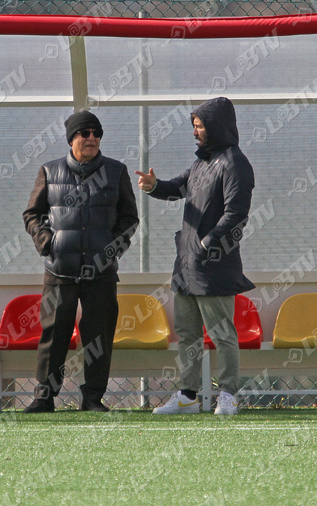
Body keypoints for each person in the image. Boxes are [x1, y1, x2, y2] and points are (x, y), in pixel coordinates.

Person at [135, 96, 254, 415]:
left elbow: (236, 215)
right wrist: (154, 186)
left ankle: (227, 395)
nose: (194, 132)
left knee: (222, 333)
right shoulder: (203, 162)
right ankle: (187, 397)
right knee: (188, 333)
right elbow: (178, 187)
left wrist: (206, 244)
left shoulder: (235, 163)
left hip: (215, 265)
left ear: (215, 126)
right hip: (186, 265)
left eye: (199, 126)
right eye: (194, 126)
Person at [22, 110, 139, 412]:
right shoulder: (49, 171)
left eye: (97, 133)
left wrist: (111, 251)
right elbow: (32, 214)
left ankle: (92, 398)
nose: (92, 138)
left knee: (98, 337)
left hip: (101, 273)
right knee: (54, 334)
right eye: (85, 133)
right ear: (71, 139)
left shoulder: (116, 171)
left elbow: (129, 218)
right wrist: (47, 243)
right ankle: (44, 397)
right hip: (59, 271)